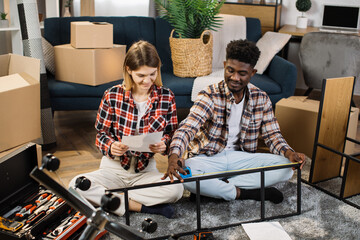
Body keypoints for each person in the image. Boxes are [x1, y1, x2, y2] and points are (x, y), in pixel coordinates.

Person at [163, 39, 305, 204]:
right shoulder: (209, 95)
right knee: (185, 174)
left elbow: (272, 135)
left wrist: (290, 153)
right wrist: (174, 156)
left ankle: (214, 189)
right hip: (209, 158)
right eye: (230, 70)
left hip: (241, 158)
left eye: (242, 73)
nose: (234, 77)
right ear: (224, 65)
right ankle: (244, 193)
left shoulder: (261, 98)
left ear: (252, 73)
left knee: (287, 168)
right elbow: (187, 128)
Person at [69, 40, 183, 218]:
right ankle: (142, 207)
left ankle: (111, 200)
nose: (147, 81)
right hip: (112, 169)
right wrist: (111, 146)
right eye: (141, 75)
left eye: (152, 74)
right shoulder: (112, 95)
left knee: (177, 189)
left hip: (145, 171)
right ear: (129, 70)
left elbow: (171, 134)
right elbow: (101, 135)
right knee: (75, 184)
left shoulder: (167, 97)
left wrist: (164, 145)